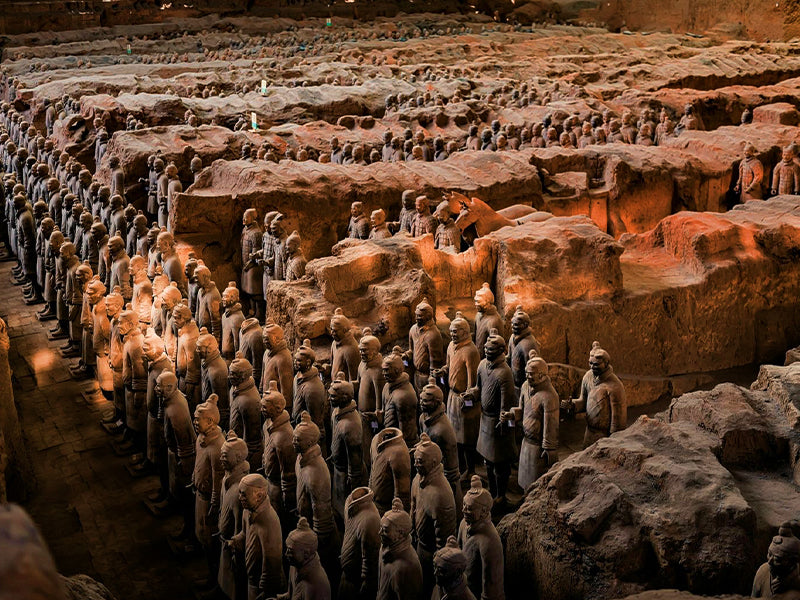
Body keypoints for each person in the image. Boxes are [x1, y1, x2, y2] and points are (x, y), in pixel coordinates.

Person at [561, 341, 627, 448]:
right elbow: (583, 401)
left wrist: (614, 444)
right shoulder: (588, 377)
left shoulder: (615, 387)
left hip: (605, 437)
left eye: (596, 364)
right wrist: (572, 405)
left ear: (606, 363)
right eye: (590, 363)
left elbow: (618, 423)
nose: (592, 367)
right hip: (589, 433)